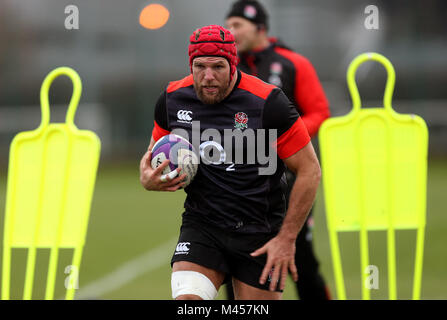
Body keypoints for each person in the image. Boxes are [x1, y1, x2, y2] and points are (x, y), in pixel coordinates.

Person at [139, 24, 321, 300]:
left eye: (218, 67)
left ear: (233, 64)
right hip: (203, 226)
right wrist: (148, 178)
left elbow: (309, 171)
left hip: (260, 232)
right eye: (199, 66)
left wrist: (286, 239)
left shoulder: (269, 103)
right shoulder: (172, 100)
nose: (208, 76)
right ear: (191, 65)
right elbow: (155, 153)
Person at [225, 0, 331, 300]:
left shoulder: (293, 62)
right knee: (236, 254)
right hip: (245, 180)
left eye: (237, 26)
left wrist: (279, 142)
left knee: (301, 257)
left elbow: (319, 112)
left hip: (290, 176)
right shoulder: (226, 67)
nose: (230, 33)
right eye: (228, 25)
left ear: (260, 28)